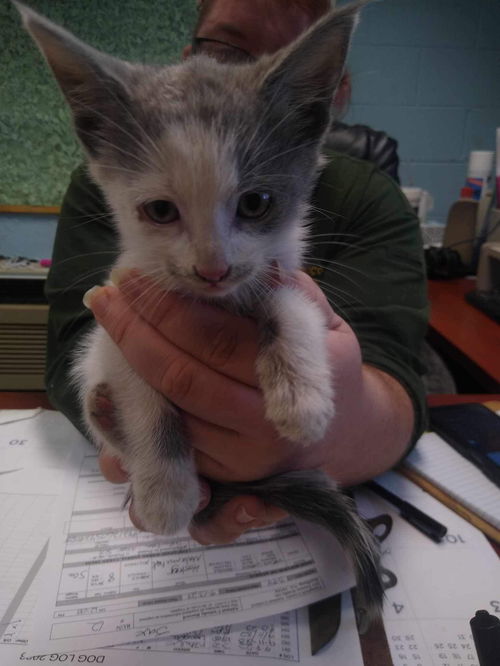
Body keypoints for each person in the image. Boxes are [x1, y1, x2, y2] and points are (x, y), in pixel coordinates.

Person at [45, 0, 428, 545]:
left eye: (253, 206)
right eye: (161, 211)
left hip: (312, 506)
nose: (212, 266)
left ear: (322, 100)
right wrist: (155, 444)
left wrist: (344, 428)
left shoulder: (371, 201)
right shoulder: (112, 177)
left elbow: (398, 372)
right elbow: (76, 354)